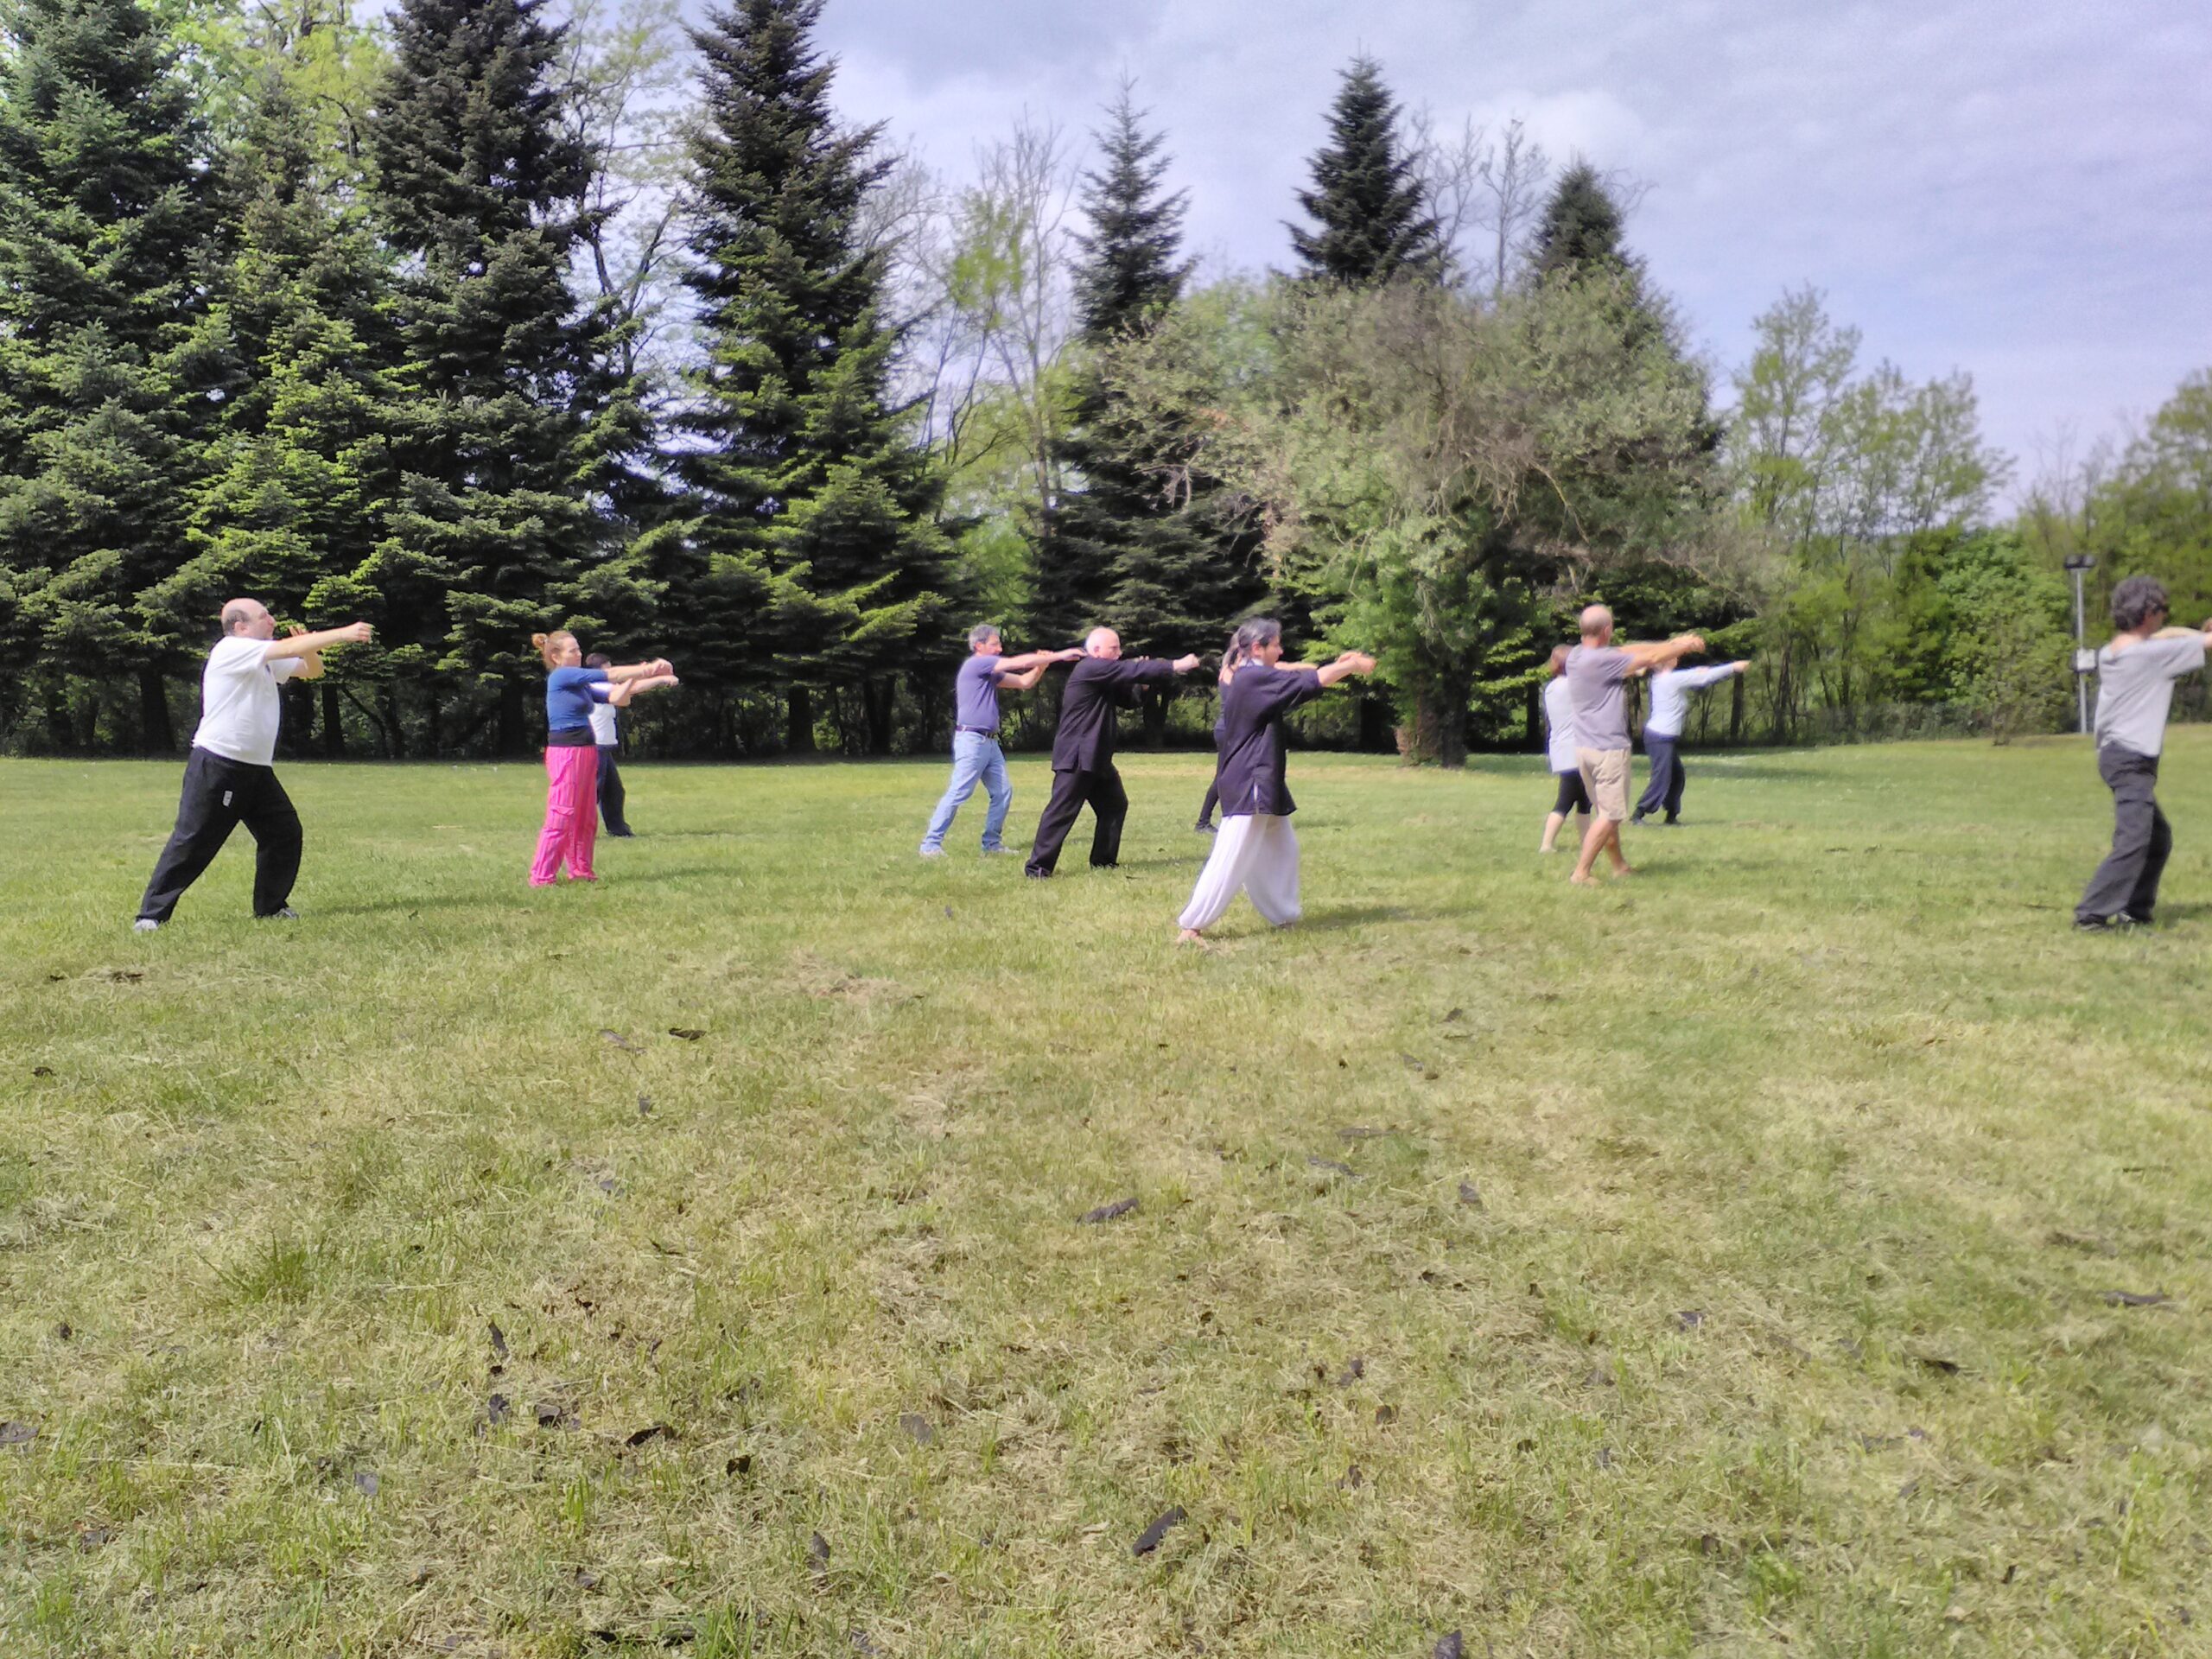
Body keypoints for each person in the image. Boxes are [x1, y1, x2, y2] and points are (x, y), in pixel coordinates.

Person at [134, 601, 375, 931]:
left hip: (256, 770)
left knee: (284, 832)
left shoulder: (263, 659)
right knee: (194, 841)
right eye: (264, 617)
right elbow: (287, 647)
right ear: (241, 626)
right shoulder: (231, 649)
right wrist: (342, 634)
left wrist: (309, 649)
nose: (272, 620)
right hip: (219, 764)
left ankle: (271, 907)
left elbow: (312, 671)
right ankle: (150, 916)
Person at [1177, 620, 1375, 941]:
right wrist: (1352, 665)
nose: (1281, 650)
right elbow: (1313, 680)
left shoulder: (1252, 674)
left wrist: (1339, 664)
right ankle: (1192, 925)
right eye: (1276, 644)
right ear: (1258, 648)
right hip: (1250, 779)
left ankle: (1283, 916)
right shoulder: (1252, 678)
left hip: (1260, 775)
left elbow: (1299, 675)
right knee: (1232, 853)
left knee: (1283, 848)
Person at [2075, 576, 2212, 931]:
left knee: (2157, 837)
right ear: (2149, 612)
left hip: (2117, 755)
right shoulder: (2150, 656)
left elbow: (2164, 639)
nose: (2165, 618)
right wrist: (2203, 636)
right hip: (2130, 758)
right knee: (2135, 838)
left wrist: (2195, 634)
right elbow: (2187, 644)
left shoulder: (2113, 651)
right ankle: (2091, 914)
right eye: (2163, 610)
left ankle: (2134, 911)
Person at [1025, 627, 1203, 878]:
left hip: (1096, 756)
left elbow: (1129, 698)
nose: (1120, 653)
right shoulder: (1090, 667)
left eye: (1120, 648)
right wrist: (1175, 665)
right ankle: (1037, 868)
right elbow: (1130, 670)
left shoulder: (1103, 674)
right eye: (1114, 648)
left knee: (1114, 805)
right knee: (1061, 812)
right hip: (1077, 755)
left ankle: (1103, 862)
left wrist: (1142, 684)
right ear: (1096, 650)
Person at [1564, 606, 1706, 887]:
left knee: (1606, 810)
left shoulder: (1579, 655)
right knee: (1612, 814)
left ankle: (1619, 866)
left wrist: (1672, 644)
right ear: (1607, 630)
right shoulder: (1603, 661)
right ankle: (1581, 872)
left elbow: (1631, 649)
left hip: (1585, 749)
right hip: (1608, 750)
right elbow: (1651, 657)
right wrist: (1685, 646)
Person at [919, 625, 1082, 858]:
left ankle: (992, 845)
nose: (1000, 648)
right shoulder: (977, 664)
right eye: (995, 644)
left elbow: (1025, 682)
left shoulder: (989, 672)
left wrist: (1043, 665)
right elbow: (1017, 662)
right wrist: (1060, 655)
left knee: (1003, 792)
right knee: (959, 792)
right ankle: (930, 845)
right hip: (972, 740)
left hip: (989, 743)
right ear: (979, 646)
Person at [531, 631, 677, 887]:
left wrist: (645, 676)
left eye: (579, 648)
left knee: (586, 815)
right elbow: (611, 675)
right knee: (562, 813)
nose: (579, 654)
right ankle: (542, 876)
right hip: (566, 752)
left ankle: (581, 871)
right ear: (556, 656)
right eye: (573, 650)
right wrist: (649, 668)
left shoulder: (580, 684)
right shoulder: (563, 675)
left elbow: (618, 698)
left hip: (587, 749)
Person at [1632, 655, 1751, 825]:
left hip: (1663, 737)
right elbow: (1704, 678)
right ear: (1668, 662)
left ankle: (1671, 816)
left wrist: (1697, 671)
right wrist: (1733, 667)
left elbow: (1692, 675)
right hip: (1659, 737)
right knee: (1662, 777)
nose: (1677, 658)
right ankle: (1639, 813)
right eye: (1673, 656)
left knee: (1677, 776)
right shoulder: (1671, 680)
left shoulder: (1663, 678)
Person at [1193, 634, 1249, 835]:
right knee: (1223, 777)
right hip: (1229, 731)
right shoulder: (1230, 672)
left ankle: (1233, 818)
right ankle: (1203, 822)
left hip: (1234, 730)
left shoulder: (1234, 671)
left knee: (1232, 775)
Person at [1538, 645, 1589, 854]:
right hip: (1574, 750)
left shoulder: (1551, 687)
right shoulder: (1573, 685)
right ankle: (1546, 844)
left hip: (1562, 748)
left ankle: (1587, 844)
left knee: (1584, 800)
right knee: (1565, 801)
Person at [583, 652, 634, 838]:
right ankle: (581, 829)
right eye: (609, 667)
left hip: (604, 747)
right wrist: (660, 678)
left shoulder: (604, 686)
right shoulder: (598, 686)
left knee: (614, 791)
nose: (612, 670)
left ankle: (618, 829)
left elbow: (627, 695)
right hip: (596, 747)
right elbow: (633, 689)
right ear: (601, 669)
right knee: (593, 792)